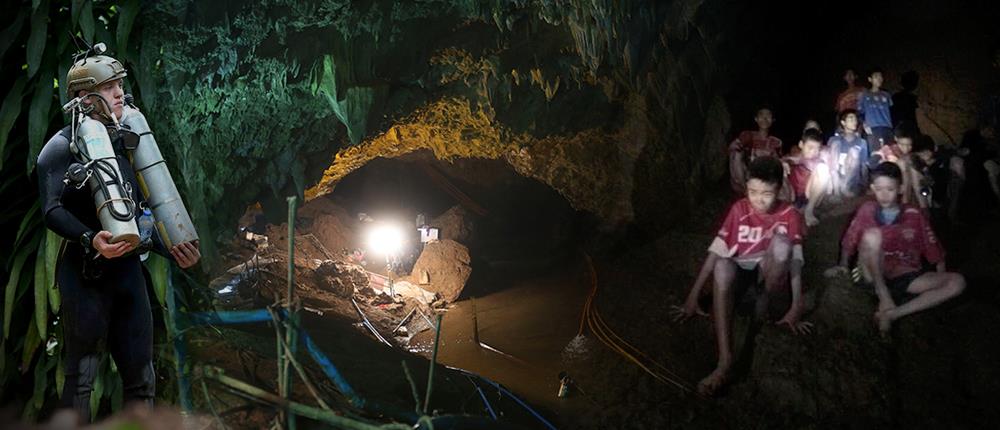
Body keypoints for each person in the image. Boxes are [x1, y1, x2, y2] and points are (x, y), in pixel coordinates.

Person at [36, 49, 201, 423]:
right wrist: (89, 239)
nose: (119, 94)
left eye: (120, 85)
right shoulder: (60, 148)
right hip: (85, 276)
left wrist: (171, 249)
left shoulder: (129, 143)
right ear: (84, 97)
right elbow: (52, 210)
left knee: (142, 378)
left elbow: (142, 212)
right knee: (81, 380)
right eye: (109, 87)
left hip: (129, 275)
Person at [673, 156, 811, 396]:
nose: (758, 199)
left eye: (766, 193)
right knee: (722, 266)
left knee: (781, 243)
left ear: (779, 189)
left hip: (768, 279)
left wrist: (796, 305)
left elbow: (796, 262)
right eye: (752, 191)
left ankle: (763, 309)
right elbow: (716, 253)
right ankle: (725, 360)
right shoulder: (739, 209)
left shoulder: (790, 214)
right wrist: (693, 296)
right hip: (741, 274)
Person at [827, 162, 964, 335]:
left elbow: (932, 246)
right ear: (872, 188)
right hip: (868, 274)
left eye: (890, 189)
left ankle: (894, 314)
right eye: (879, 189)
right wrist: (843, 265)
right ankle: (883, 295)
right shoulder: (867, 209)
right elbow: (850, 238)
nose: (884, 195)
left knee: (957, 282)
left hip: (904, 275)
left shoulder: (913, 214)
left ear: (900, 188)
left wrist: (940, 275)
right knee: (873, 236)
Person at [729, 107, 782, 194]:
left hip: (765, 177)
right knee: (736, 154)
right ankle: (745, 189)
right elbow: (732, 150)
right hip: (746, 176)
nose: (765, 118)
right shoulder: (747, 135)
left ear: (773, 120)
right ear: (756, 119)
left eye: (768, 115)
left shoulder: (776, 142)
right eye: (761, 115)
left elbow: (778, 162)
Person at [911, 135, 966, 220]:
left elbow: (957, 155)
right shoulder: (917, 164)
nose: (924, 154)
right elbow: (918, 185)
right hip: (932, 196)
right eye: (921, 152)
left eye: (926, 151)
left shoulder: (942, 157)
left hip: (948, 190)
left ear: (934, 148)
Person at [784, 129, 831, 226]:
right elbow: (792, 160)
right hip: (792, 196)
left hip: (810, 196)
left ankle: (809, 211)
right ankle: (787, 210)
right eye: (810, 147)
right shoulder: (793, 157)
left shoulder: (818, 161)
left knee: (823, 169)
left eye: (817, 148)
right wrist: (783, 163)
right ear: (801, 145)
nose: (814, 152)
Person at [827, 109, 868, 197]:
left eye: (855, 119)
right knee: (835, 143)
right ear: (843, 122)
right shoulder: (833, 140)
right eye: (851, 119)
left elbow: (864, 165)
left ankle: (844, 187)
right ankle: (836, 191)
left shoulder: (862, 142)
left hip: (852, 180)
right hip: (836, 178)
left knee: (854, 151)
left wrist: (865, 184)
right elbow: (828, 161)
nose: (855, 122)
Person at [858, 68, 894, 154]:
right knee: (876, 154)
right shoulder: (864, 94)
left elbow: (891, 111)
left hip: (887, 127)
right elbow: (859, 112)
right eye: (876, 77)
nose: (879, 79)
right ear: (870, 79)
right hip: (873, 128)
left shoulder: (886, 94)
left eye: (881, 77)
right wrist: (864, 125)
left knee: (889, 154)